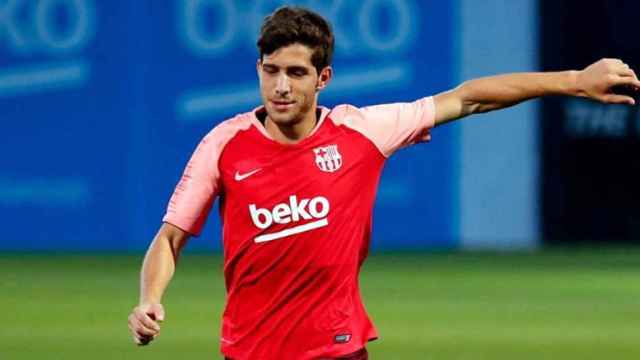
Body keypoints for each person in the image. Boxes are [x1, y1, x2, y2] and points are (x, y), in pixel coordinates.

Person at [127, 6, 640, 360]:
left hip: (338, 347)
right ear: (258, 69)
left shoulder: (361, 130)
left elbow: (468, 97)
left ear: (322, 78)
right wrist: (151, 298)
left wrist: (573, 80)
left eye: (297, 72)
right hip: (247, 351)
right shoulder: (224, 143)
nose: (281, 85)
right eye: (271, 70)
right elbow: (170, 238)